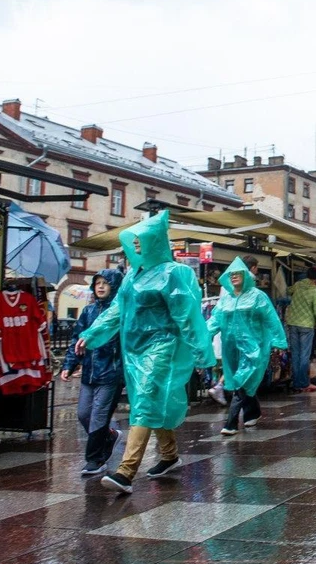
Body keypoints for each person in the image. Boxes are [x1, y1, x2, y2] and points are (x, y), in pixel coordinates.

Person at [76, 210, 214, 495]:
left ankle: (126, 471)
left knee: (147, 399)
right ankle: (168, 455)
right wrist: (90, 334)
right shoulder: (132, 277)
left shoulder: (176, 273)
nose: (136, 244)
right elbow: (116, 311)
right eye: (134, 240)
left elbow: (187, 316)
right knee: (151, 400)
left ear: (156, 240)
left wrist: (201, 353)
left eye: (142, 239)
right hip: (135, 351)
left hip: (163, 346)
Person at [207, 258, 287, 436]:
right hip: (231, 349)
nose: (234, 277)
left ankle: (231, 422)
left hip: (253, 347)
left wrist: (279, 341)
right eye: (231, 274)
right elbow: (215, 320)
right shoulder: (225, 299)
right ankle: (254, 412)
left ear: (246, 275)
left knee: (242, 380)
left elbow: (271, 319)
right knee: (241, 382)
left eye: (238, 273)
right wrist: (201, 336)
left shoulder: (258, 296)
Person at [61, 269, 124, 476]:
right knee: (83, 414)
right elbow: (76, 340)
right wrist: (69, 365)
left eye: (106, 283)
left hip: (111, 372)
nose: (101, 286)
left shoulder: (120, 311)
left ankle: (95, 460)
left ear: (114, 286)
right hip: (89, 372)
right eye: (97, 282)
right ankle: (110, 436)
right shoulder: (88, 311)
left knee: (99, 415)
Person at [285, 266, 316, 393]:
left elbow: (288, 290)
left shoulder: (297, 285)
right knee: (304, 355)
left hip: (293, 323)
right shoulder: (315, 292)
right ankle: (304, 383)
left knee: (295, 354)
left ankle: (296, 382)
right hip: (307, 325)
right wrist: (315, 320)